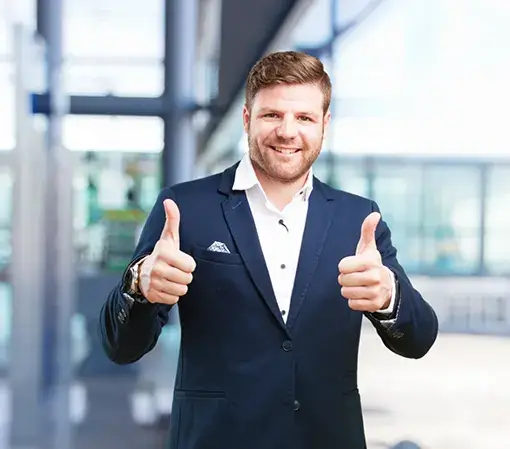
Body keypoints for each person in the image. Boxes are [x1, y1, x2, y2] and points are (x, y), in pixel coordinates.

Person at [99, 51, 438, 449]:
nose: (288, 131)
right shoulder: (185, 208)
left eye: (305, 118)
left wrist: (389, 297)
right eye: (272, 115)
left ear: (324, 125)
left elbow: (419, 339)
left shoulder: (358, 219)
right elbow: (120, 346)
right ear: (247, 119)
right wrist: (138, 284)